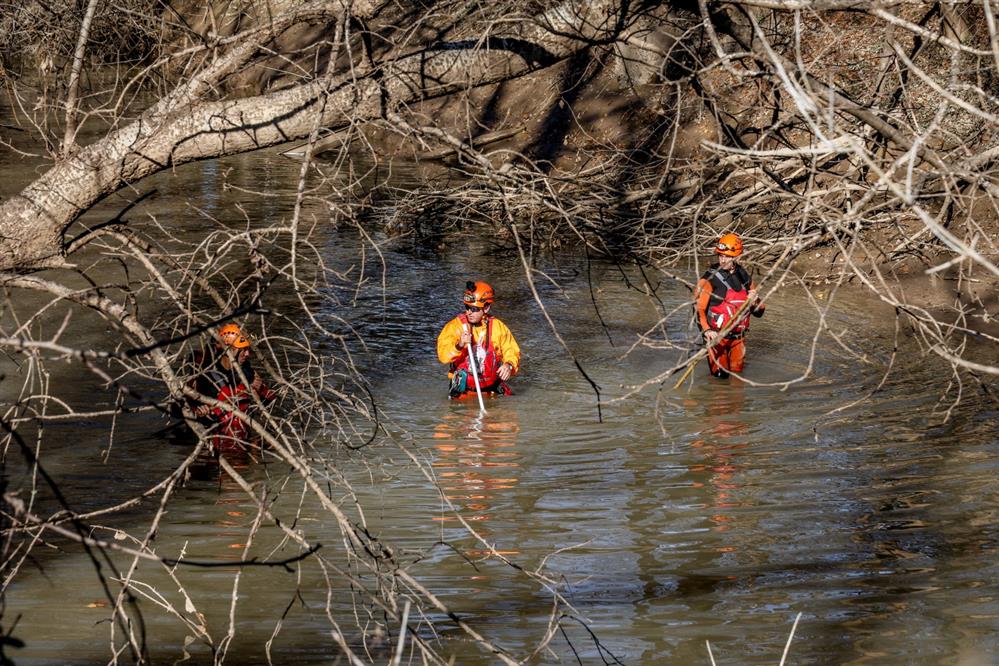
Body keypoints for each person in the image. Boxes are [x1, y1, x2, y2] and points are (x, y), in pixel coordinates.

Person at [694, 233, 766, 379]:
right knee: (721, 378)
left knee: (738, 376)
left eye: (727, 256)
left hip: (738, 337)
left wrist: (755, 301)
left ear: (737, 256)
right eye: (720, 255)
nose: (722, 260)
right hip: (716, 337)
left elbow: (760, 312)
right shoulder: (709, 278)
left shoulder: (744, 277)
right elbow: (698, 309)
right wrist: (707, 331)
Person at [436, 281, 521, 398]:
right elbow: (443, 355)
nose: (469, 312)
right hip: (463, 392)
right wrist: (460, 345)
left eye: (474, 309)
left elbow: (511, 351)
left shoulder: (498, 327)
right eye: (467, 307)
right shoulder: (455, 326)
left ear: (486, 308)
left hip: (492, 390)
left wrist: (508, 365)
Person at [191, 323, 275, 419]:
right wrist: (198, 411)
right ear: (229, 350)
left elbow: (271, 401)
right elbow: (180, 409)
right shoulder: (204, 375)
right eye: (243, 349)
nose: (247, 354)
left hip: (244, 427)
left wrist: (261, 389)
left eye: (247, 349)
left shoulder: (247, 371)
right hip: (216, 429)